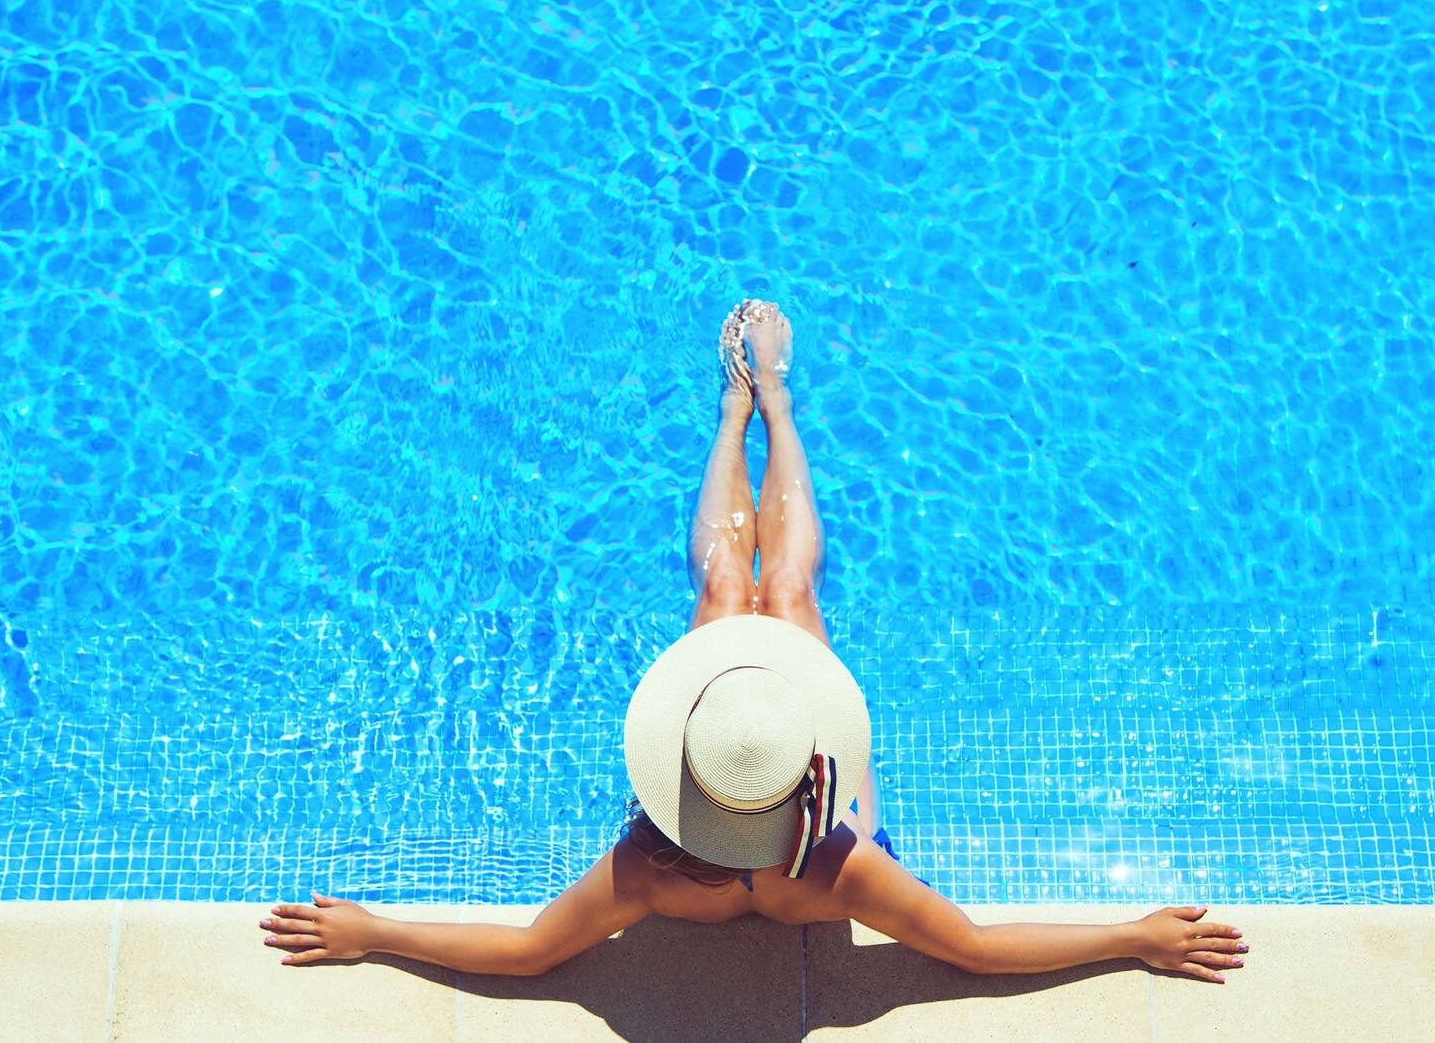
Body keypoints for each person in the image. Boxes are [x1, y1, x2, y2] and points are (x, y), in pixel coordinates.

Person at [258, 301, 1249, 982]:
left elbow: (527, 953)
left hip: (754, 778)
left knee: (729, 584)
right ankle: (767, 404)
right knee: (786, 587)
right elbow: (975, 948)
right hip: (800, 805)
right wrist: (1129, 936)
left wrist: (373, 932)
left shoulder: (650, 865)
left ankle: (743, 410)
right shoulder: (839, 868)